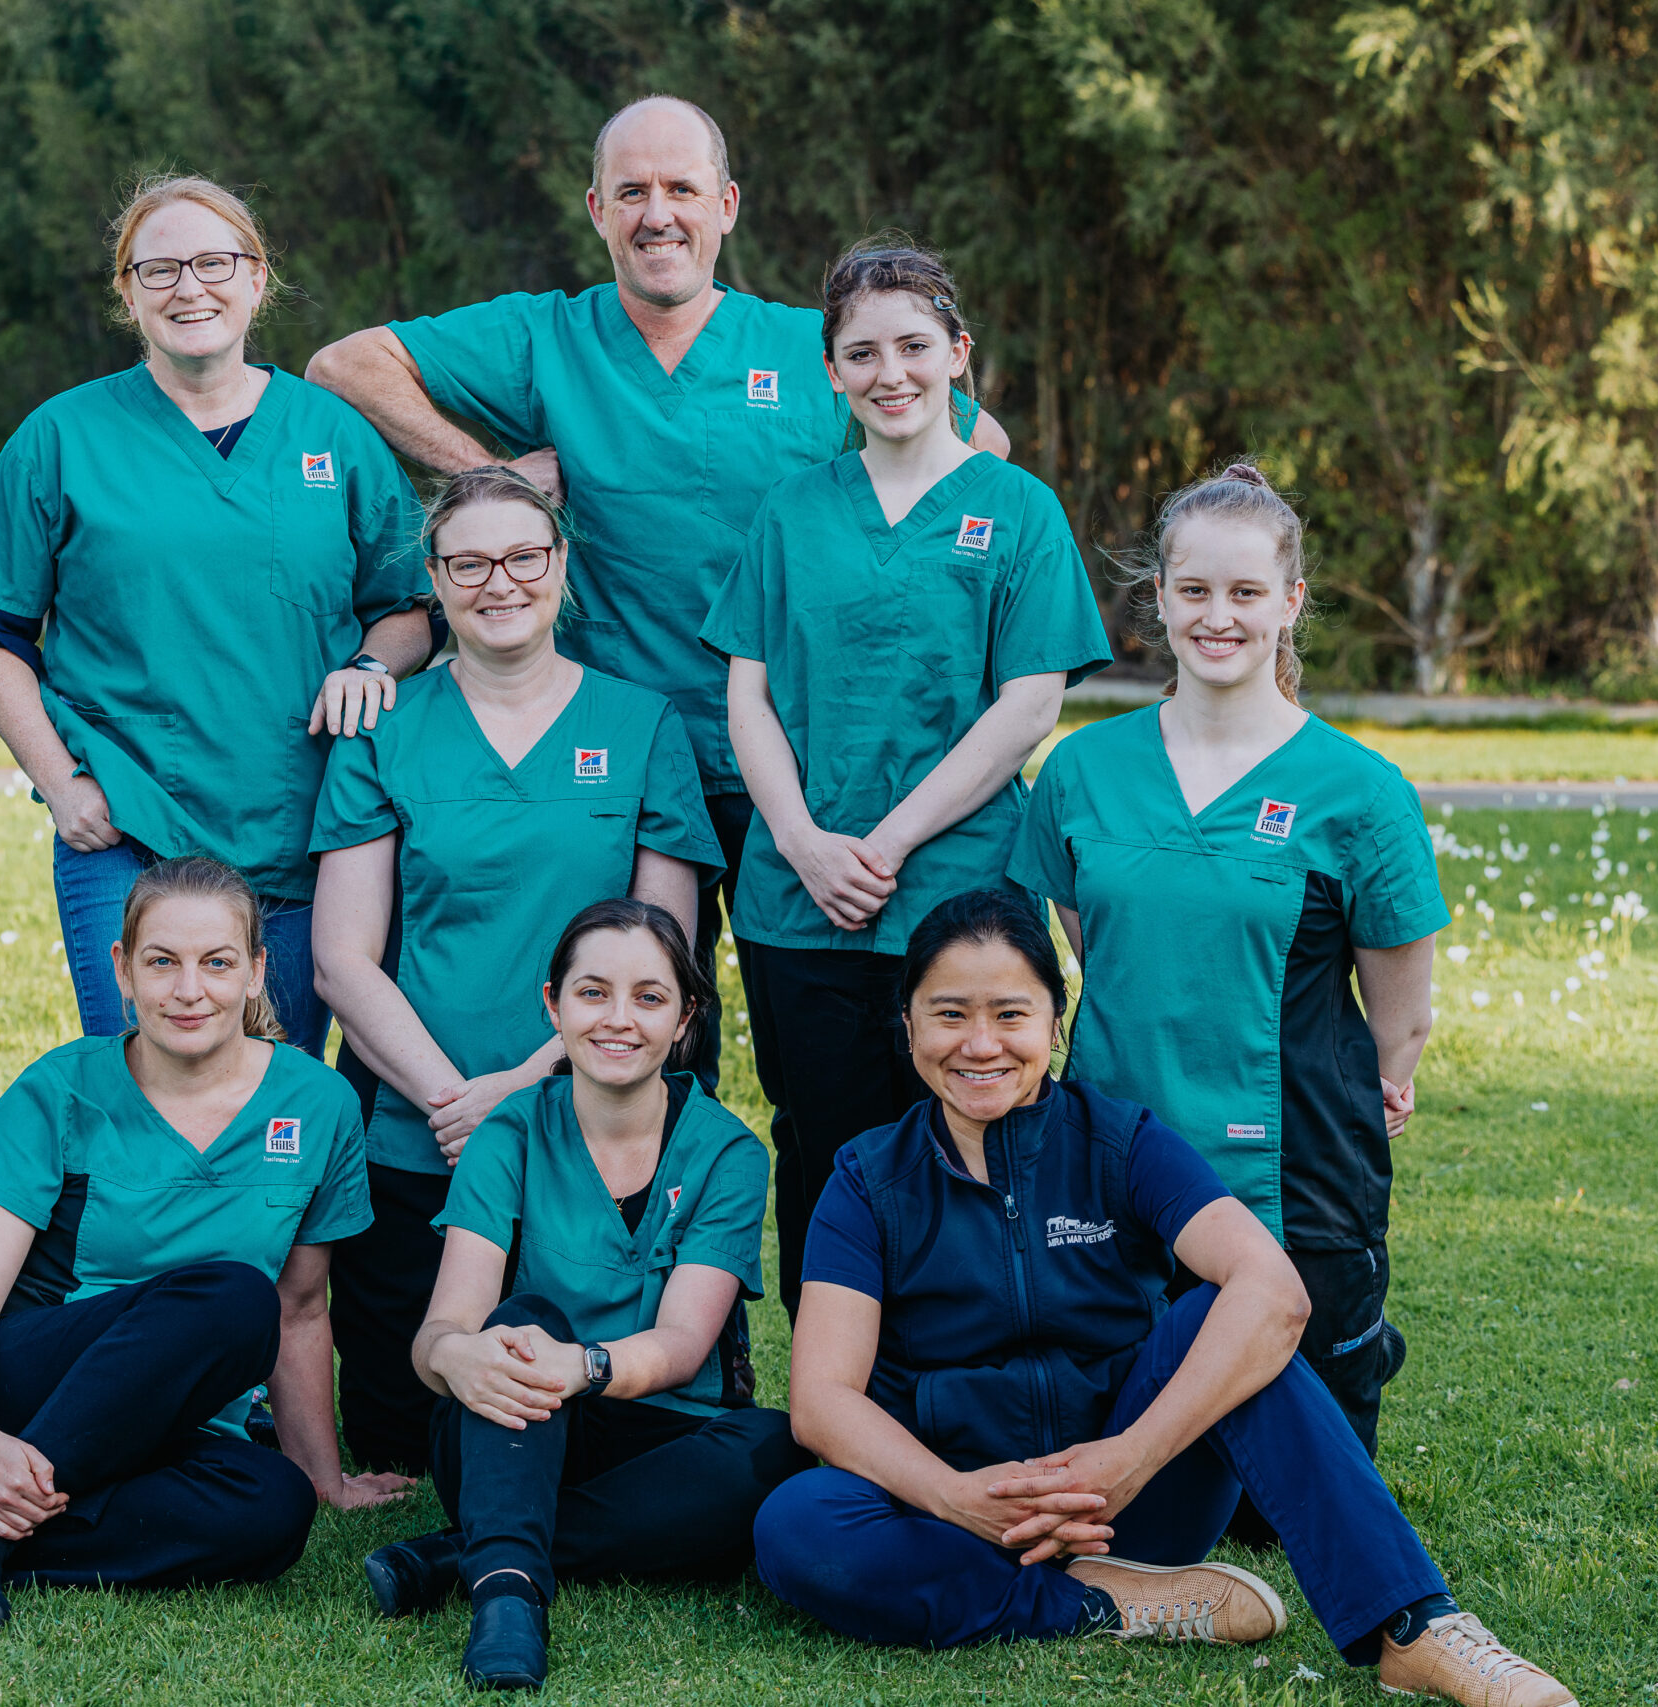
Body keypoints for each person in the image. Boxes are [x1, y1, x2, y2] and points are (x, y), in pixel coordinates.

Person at [306, 96, 1010, 1091]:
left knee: (818, 1050)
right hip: (618, 755)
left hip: (795, 761)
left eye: (682, 188)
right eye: (631, 191)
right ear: (597, 209)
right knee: (634, 1032)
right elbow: (345, 365)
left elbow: (979, 446)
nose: (658, 214)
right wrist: (496, 480)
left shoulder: (806, 350)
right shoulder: (546, 338)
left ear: (727, 206)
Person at [748, 889, 1573, 1707]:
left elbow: (1275, 1292)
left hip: (1136, 1504)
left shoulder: (1122, 1141)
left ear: (1054, 1021)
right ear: (909, 1026)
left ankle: (1418, 1627)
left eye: (1010, 1014)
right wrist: (954, 1497)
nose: (981, 1044)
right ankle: (1100, 1604)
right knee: (796, 1524)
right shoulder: (867, 1177)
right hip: (953, 1511)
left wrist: (1130, 1458)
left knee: (1231, 1317)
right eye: (950, 1014)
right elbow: (822, 1399)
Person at [700, 240, 1110, 1318]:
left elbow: (1026, 706)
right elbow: (748, 698)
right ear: (830, 370)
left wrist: (883, 844)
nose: (891, 373)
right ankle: (834, 1392)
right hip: (802, 901)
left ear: (958, 353)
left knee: (980, 1144)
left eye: (915, 346)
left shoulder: (1018, 511)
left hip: (958, 892)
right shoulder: (791, 511)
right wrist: (802, 842)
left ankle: (978, 1377)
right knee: (825, 1150)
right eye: (862, 352)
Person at [1008, 465, 1444, 1462]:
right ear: (1158, 596)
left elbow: (1402, 1017)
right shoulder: (1081, 769)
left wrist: (1370, 1091)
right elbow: (1091, 944)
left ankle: (1350, 1344)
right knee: (1127, 1458)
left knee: (1281, 1492)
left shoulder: (1362, 793)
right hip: (1111, 1154)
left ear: (1290, 602)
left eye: (1246, 592)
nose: (1218, 616)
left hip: (1297, 1171)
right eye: (1195, 589)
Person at [0, 176, 432, 1053]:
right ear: (127, 290)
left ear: (257, 278)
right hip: (128, 827)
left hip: (302, 827)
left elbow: (407, 606)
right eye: (160, 268)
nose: (189, 287)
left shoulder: (334, 435)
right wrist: (60, 784)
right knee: (143, 1082)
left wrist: (371, 666)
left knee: (277, 1092)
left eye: (214, 263)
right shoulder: (62, 438)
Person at [311, 466, 722, 1478]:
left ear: (562, 565)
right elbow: (340, 960)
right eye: (469, 563)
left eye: (524, 556)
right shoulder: (385, 730)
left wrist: (525, 1088)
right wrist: (456, 1101)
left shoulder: (640, 724)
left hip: (597, 1117)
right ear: (434, 581)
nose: (500, 582)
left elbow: (662, 969)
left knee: (609, 1433)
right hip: (421, 1125)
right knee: (406, 1437)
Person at [0, 856, 414, 1629]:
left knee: (276, 1506)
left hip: (169, 1432)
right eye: (162, 962)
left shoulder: (318, 1104)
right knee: (234, 1296)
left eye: (217, 962)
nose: (189, 989)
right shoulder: (62, 1089)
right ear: (123, 970)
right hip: (10, 1407)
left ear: (257, 971)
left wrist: (321, 1477)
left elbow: (300, 1308)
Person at [360, 900, 810, 1690]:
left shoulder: (727, 1152)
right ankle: (508, 1598)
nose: (618, 1019)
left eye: (649, 997)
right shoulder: (510, 1131)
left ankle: (467, 1553)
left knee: (776, 1448)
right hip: (517, 1425)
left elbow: (682, 1347)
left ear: (686, 1017)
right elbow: (441, 1330)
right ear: (554, 1005)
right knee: (521, 1321)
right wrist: (457, 1356)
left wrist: (584, 1366)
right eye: (593, 992)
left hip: (659, 1436)